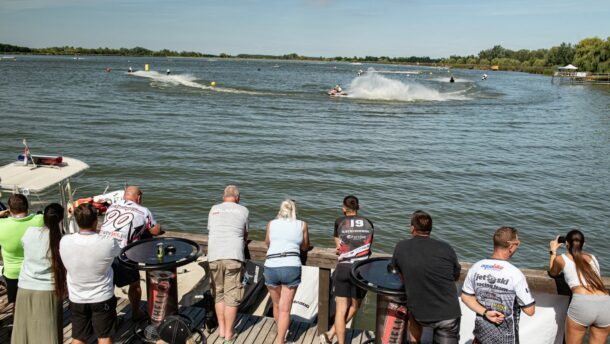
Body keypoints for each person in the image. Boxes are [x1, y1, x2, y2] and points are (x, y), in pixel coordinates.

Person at [391, 210, 461, 344]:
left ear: (412, 228)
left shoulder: (401, 247)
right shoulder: (446, 247)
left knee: (413, 317)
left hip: (418, 311)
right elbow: (456, 276)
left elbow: (400, 275)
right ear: (430, 230)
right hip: (448, 313)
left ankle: (414, 341)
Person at [461, 227, 535, 343]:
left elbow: (466, 297)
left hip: (481, 336)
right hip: (506, 339)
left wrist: (485, 312)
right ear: (511, 246)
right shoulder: (515, 274)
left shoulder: (477, 267)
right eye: (517, 244)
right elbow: (530, 310)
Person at [60, 203, 121, 344]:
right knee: (105, 337)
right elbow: (119, 253)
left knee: (78, 337)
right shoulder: (108, 242)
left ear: (76, 221)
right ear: (96, 221)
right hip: (102, 296)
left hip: (77, 297)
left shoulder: (65, 241)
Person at [100, 185, 161, 320]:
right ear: (138, 198)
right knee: (134, 283)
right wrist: (158, 228)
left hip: (101, 249)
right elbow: (154, 231)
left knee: (108, 284)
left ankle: (108, 317)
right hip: (122, 253)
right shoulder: (144, 211)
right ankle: (135, 313)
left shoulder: (112, 207)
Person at [320, 195, 374, 344]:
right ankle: (330, 334)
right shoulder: (368, 223)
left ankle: (333, 335)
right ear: (358, 207)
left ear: (344, 208)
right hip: (361, 269)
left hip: (343, 268)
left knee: (341, 309)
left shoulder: (339, 221)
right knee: (356, 305)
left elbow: (338, 246)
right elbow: (368, 246)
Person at [11, 203, 68, 344]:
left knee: (24, 333)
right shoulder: (62, 240)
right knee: (48, 334)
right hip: (48, 290)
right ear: (61, 218)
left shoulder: (30, 232)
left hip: (25, 287)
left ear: (43, 217)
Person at [549, 230, 610, 344]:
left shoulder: (561, 258)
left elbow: (553, 273)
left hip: (583, 302)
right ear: (584, 244)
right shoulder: (592, 258)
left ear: (566, 244)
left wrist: (553, 251)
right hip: (605, 302)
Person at [207, 185, 249, 344]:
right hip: (233, 256)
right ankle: (230, 335)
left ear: (223, 197)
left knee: (218, 293)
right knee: (232, 296)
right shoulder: (243, 210)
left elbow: (211, 229)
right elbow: (245, 234)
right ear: (238, 198)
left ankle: (222, 330)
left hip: (214, 256)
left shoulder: (213, 209)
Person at [264, 199, 310, 344]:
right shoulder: (302, 224)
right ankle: (281, 340)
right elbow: (305, 246)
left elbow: (267, 243)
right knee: (285, 309)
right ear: (294, 210)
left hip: (271, 265)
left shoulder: (271, 223)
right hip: (291, 266)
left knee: (276, 305)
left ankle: (281, 332)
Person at [0, 194, 44, 310]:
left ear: (9, 209)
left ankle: (19, 326)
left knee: (17, 305)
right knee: (36, 304)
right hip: (35, 271)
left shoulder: (1, 225)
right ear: (27, 206)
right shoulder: (39, 220)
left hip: (13, 274)